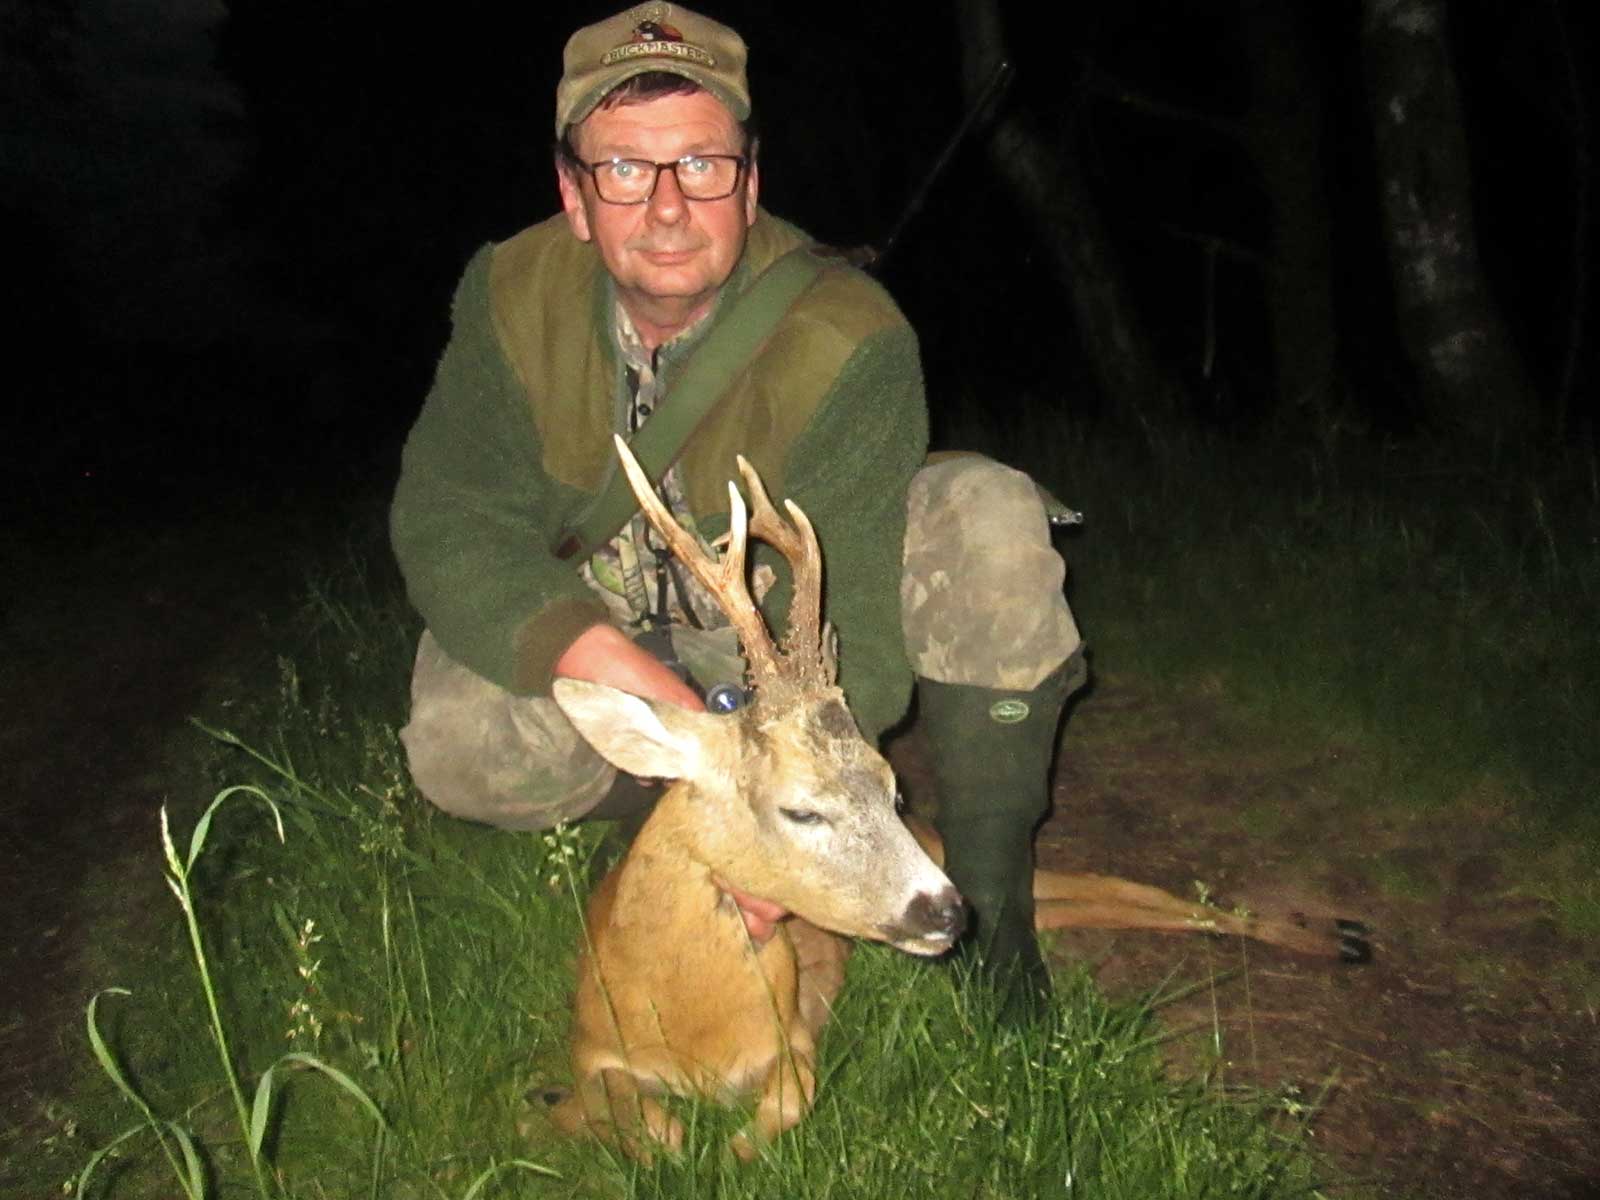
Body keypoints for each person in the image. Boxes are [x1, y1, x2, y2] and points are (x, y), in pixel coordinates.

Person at [390, 2, 1085, 1002]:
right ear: (574, 194)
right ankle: (670, 823)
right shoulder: (509, 295)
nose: (668, 207)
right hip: (608, 619)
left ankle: (993, 922)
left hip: (770, 648)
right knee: (462, 745)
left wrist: (784, 797)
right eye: (625, 169)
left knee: (989, 518)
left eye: (701, 164)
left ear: (750, 184)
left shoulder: (852, 335)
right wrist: (616, 670)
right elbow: (449, 516)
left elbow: (855, 633)